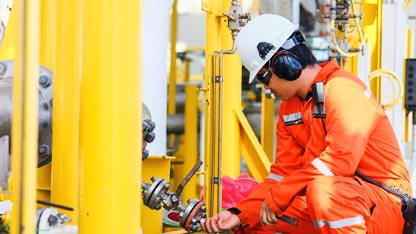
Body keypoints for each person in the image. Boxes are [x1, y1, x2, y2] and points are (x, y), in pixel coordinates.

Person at [201, 14, 412, 233]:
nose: (265, 87)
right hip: (345, 200)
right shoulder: (289, 109)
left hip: (385, 205)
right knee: (256, 219)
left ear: (285, 64)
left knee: (323, 192)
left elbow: (340, 161)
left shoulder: (342, 88)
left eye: (264, 77)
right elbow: (282, 174)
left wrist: (281, 194)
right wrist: (239, 213)